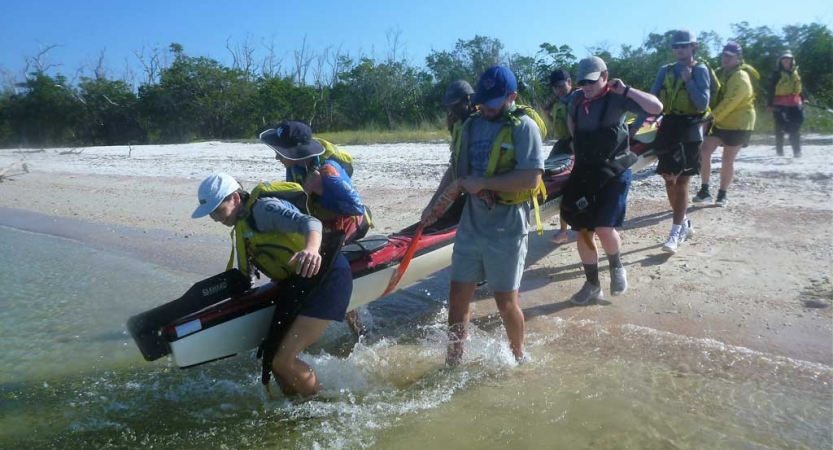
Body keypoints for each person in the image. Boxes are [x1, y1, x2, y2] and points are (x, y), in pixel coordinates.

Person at [421, 65, 545, 365]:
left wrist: (485, 183)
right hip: (472, 223)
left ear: (511, 97)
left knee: (505, 302)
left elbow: (531, 179)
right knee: (457, 297)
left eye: (492, 103)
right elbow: (454, 170)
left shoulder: (524, 127)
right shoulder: (471, 125)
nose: (484, 108)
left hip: (508, 225)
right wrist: (434, 203)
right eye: (481, 101)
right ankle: (453, 360)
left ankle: (518, 356)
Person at [191, 173, 352, 397]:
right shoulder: (241, 228)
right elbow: (247, 278)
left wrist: (312, 249)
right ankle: (297, 409)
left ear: (236, 199)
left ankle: (325, 405)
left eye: (218, 210)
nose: (216, 218)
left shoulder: (263, 210)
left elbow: (311, 222)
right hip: (298, 285)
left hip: (327, 277)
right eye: (212, 214)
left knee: (283, 361)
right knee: (272, 360)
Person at [560, 56, 663, 305]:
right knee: (583, 231)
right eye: (583, 81)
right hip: (585, 172)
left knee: (605, 228)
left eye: (592, 81)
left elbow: (656, 108)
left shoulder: (618, 97)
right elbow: (572, 127)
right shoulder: (575, 100)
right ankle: (592, 284)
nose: (587, 86)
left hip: (615, 172)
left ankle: (617, 267)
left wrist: (627, 90)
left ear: (605, 76)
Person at [260, 120, 368, 336]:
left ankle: (357, 328)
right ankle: (356, 327)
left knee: (328, 270)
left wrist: (321, 191)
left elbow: (356, 207)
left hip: (349, 225)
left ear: (295, 151)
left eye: (280, 152)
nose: (277, 158)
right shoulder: (296, 167)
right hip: (324, 225)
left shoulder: (329, 170)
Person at [635, 30, 713, 254]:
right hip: (668, 126)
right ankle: (684, 223)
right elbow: (651, 101)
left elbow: (701, 103)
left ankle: (675, 231)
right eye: (676, 46)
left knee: (682, 182)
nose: (680, 49)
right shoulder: (665, 71)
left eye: (684, 46)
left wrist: (689, 82)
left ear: (693, 47)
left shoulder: (700, 70)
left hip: (690, 127)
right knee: (669, 180)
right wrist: (637, 128)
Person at [693, 42, 760, 207]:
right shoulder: (721, 73)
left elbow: (730, 102)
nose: (725, 59)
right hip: (720, 121)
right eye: (724, 55)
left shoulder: (741, 77)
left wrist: (710, 118)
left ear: (738, 58)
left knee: (727, 159)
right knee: (705, 151)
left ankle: (722, 195)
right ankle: (704, 190)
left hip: (739, 123)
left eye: (729, 56)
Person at [767, 50, 806, 157]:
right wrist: (770, 104)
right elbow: (771, 89)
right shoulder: (776, 74)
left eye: (788, 59)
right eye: (784, 59)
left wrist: (803, 98)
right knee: (780, 127)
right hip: (779, 103)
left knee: (796, 126)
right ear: (781, 61)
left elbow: (798, 87)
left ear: (791, 60)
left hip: (794, 102)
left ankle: (797, 151)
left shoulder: (795, 73)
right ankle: (780, 151)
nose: (786, 61)